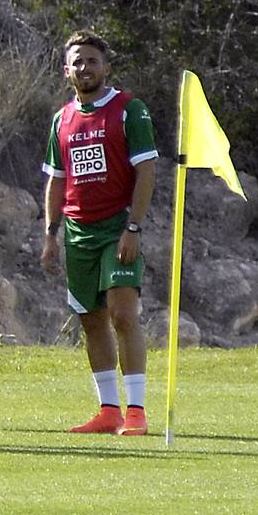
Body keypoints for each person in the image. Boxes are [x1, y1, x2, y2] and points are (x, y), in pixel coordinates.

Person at [41, 31, 157, 437]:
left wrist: (134, 227)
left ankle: (137, 411)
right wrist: (51, 234)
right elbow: (57, 181)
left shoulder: (129, 110)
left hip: (117, 228)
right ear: (66, 71)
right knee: (91, 321)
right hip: (77, 233)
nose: (84, 68)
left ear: (105, 67)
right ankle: (109, 410)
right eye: (77, 62)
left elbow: (146, 170)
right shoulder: (62, 119)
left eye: (91, 61)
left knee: (123, 315)